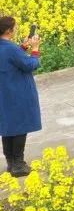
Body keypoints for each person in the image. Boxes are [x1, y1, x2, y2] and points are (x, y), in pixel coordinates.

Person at [0, 16, 41, 177]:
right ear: (9, 30)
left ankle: (11, 163)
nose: (16, 29)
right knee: (19, 126)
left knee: (7, 127)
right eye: (15, 27)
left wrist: (23, 47)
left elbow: (8, 59)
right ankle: (18, 164)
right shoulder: (10, 49)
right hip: (17, 93)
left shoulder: (8, 48)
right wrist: (35, 49)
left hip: (4, 93)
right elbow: (30, 65)